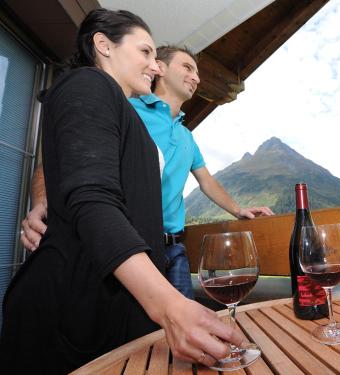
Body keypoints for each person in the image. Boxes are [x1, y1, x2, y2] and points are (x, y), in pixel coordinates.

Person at [0, 9, 243, 374]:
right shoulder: (88, 84)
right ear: (103, 45)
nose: (155, 65)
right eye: (146, 52)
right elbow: (91, 195)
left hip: (108, 302)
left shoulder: (124, 110)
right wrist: (169, 306)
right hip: (71, 310)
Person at [21, 45, 274, 299]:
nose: (196, 77)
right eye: (187, 67)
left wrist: (239, 210)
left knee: (182, 335)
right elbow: (60, 162)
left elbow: (206, 182)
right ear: (159, 68)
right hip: (128, 247)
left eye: (197, 72)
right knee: (136, 336)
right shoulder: (126, 109)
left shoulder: (187, 136)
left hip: (174, 250)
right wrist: (42, 203)